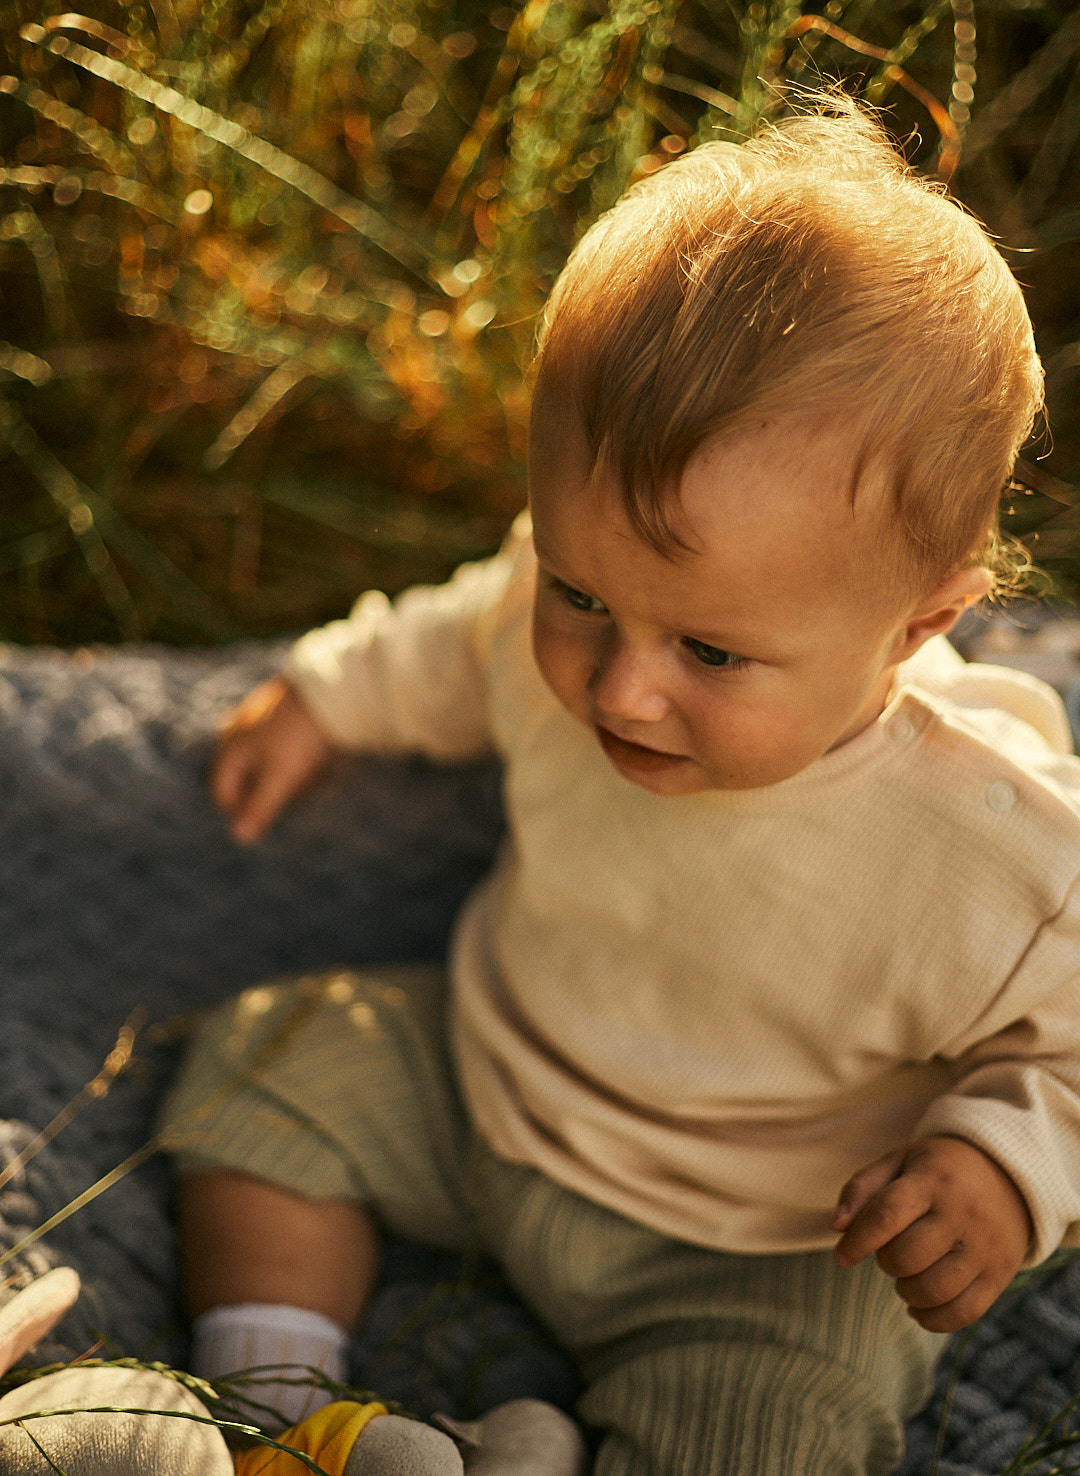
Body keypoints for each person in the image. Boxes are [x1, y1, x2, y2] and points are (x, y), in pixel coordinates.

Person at [158, 95, 1080, 1476]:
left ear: (917, 626)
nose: (618, 688)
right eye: (580, 594)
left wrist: (1002, 1167)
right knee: (271, 1065)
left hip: (771, 1241)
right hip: (493, 1086)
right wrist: (332, 693)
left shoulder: (994, 848)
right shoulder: (575, 613)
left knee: (771, 1426)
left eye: (710, 651)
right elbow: (461, 635)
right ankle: (275, 1415)